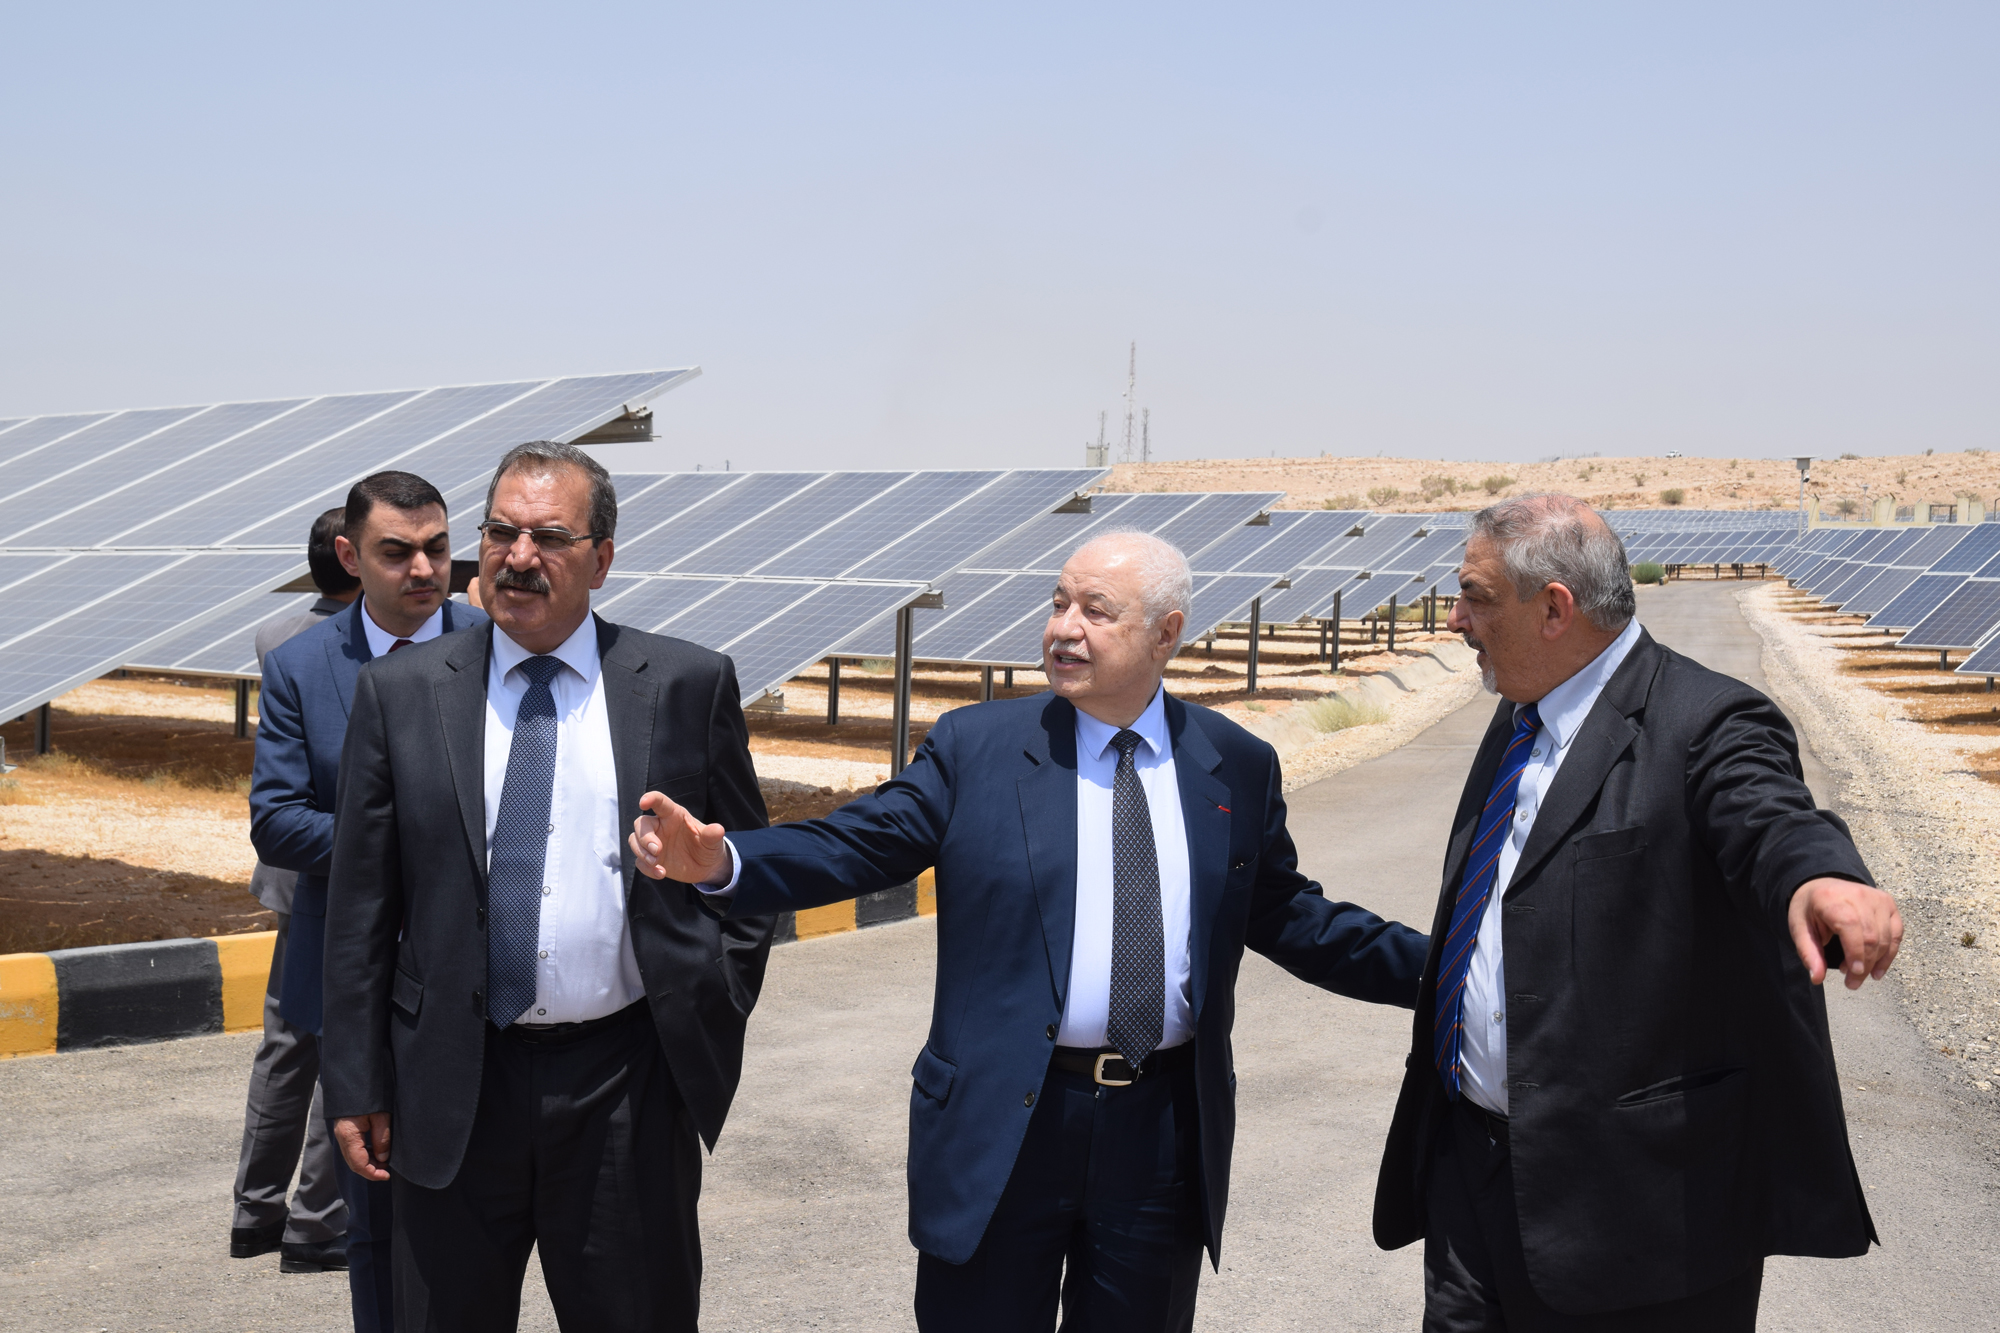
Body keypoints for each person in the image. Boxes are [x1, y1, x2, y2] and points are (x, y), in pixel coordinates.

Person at [631, 528, 1430, 1333]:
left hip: (1159, 1133)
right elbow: (857, 843)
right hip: (1004, 1123)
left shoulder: (1234, 763)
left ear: (1166, 632)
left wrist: (1449, 970)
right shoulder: (978, 747)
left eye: (1095, 610)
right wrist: (726, 859)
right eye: (1057, 603)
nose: (1063, 628)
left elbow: (1290, 914)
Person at [1373, 493, 1903, 1331]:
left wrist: (1820, 878)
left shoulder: (1706, 720)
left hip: (1638, 1214)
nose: (1455, 619)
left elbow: (1768, 815)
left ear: (1554, 609)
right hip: (1472, 1187)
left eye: (1474, 596)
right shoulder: (1522, 714)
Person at [321, 440, 776, 1332]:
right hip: (452, 1084)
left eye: (551, 537)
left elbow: (745, 872)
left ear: (600, 560)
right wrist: (356, 1078)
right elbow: (360, 908)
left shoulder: (685, 684)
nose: (518, 557)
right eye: (501, 532)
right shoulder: (401, 692)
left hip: (625, 1085)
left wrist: (707, 1000)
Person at [250, 475, 488, 1331]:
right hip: (357, 978)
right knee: (376, 1221)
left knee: (479, 1219)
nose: (423, 569)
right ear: (351, 556)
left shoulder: (499, 647)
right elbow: (277, 820)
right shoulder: (301, 666)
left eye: (437, 548)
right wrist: (403, 841)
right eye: (397, 551)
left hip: (476, 974)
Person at [231, 506, 356, 1274]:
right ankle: (316, 1220)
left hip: (290, 872)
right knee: (344, 1044)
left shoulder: (274, 632)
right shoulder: (359, 648)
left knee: (286, 1041)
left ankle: (254, 1210)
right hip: (344, 869)